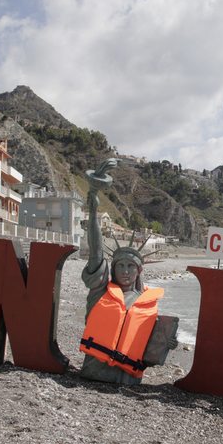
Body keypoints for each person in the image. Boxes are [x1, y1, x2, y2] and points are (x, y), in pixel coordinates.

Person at [79, 158, 177, 385]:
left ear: (139, 270)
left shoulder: (147, 303)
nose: (125, 270)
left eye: (130, 266)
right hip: (94, 373)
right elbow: (95, 248)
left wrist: (164, 345)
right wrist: (93, 200)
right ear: (112, 268)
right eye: (120, 265)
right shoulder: (100, 290)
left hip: (128, 378)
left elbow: (147, 344)